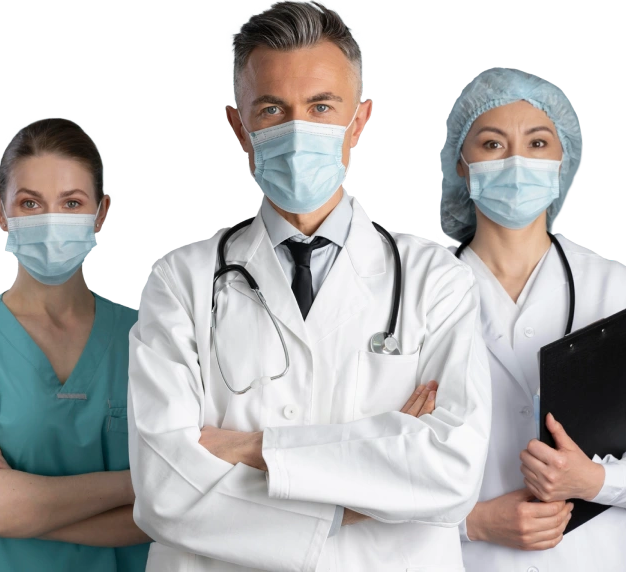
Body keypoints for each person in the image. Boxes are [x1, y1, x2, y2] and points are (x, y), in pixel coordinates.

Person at [126, 2, 492, 571]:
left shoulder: (436, 280)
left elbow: (451, 473)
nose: (299, 130)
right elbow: (163, 493)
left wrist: (251, 448)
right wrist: (371, 485)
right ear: (239, 127)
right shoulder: (181, 280)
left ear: (359, 120)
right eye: (272, 109)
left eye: (322, 107)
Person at [439, 66, 626, 571]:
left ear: (563, 163)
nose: (516, 161)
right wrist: (472, 523)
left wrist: (594, 480)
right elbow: (373, 472)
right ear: (461, 166)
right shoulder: (417, 293)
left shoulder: (617, 291)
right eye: (492, 144)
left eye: (538, 143)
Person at [0, 117, 152, 571]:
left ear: (102, 211)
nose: (51, 221)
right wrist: (134, 483)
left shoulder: (147, 340)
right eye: (30, 203)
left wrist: (13, 502)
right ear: (1, 212)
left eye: (72, 202)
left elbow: (170, 513)